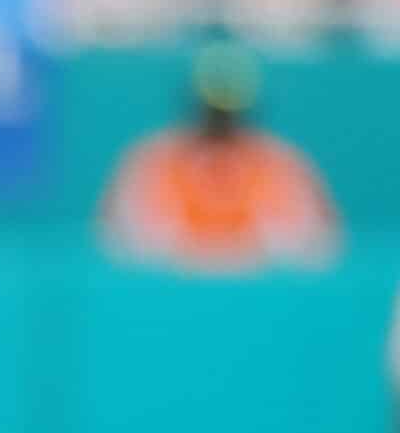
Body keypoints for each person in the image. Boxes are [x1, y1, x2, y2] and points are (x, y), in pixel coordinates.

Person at [98, 42, 342, 274]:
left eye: (227, 117)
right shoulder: (151, 161)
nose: (220, 131)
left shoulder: (282, 164)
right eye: (212, 116)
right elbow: (118, 243)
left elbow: (317, 246)